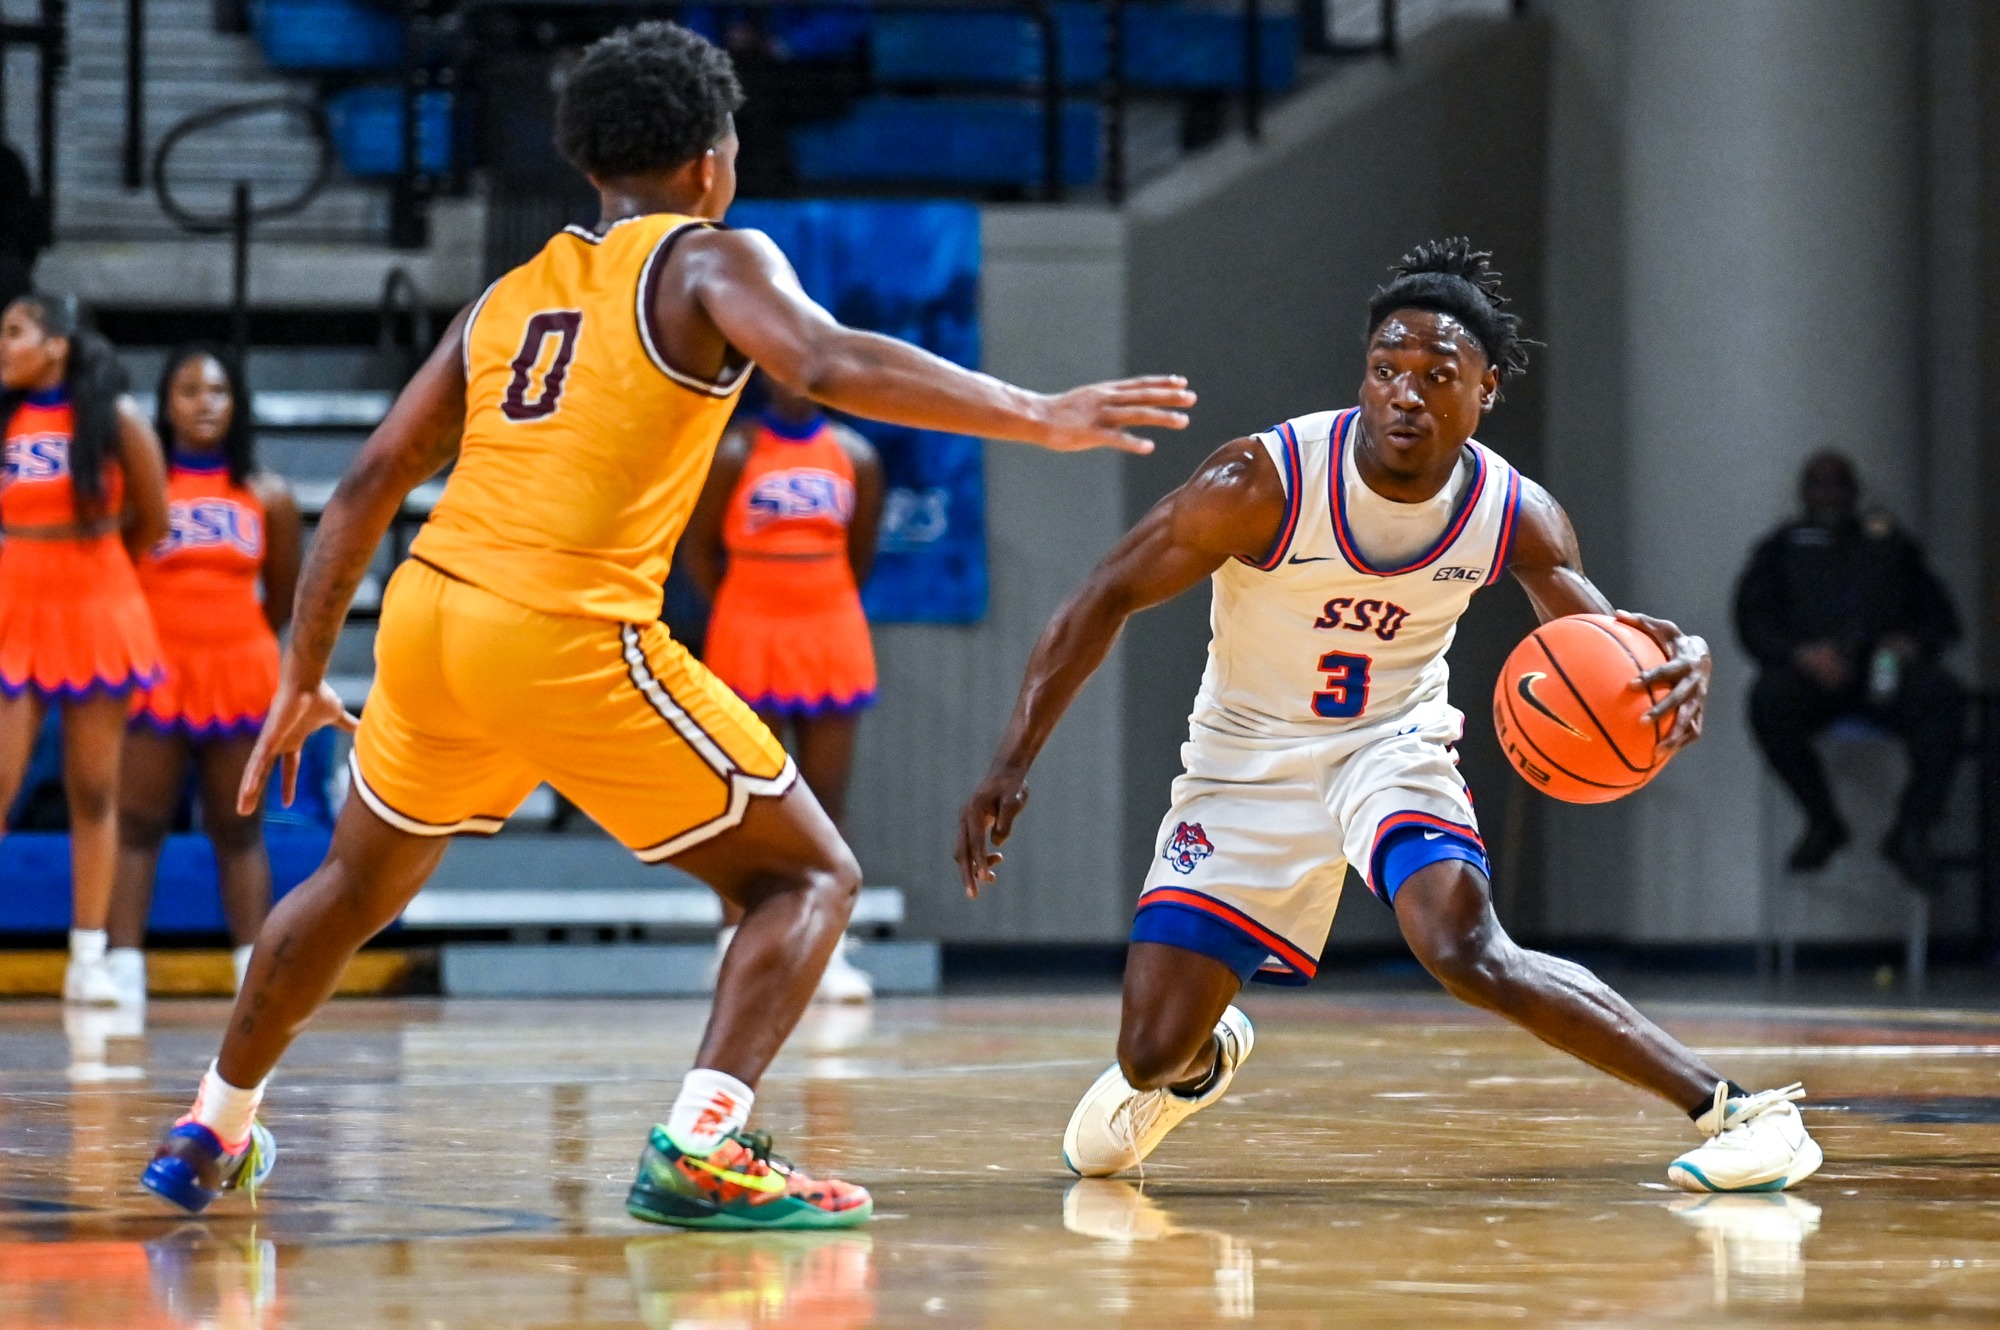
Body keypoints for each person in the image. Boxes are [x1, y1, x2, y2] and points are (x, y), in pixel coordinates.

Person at [138, 20, 1195, 1228]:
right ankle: (703, 1145)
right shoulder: (704, 258)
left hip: (432, 615)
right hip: (561, 620)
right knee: (807, 874)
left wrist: (303, 674)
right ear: (709, 160)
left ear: (592, 166)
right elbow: (824, 357)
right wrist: (1037, 410)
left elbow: (373, 477)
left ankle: (212, 1123)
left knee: (352, 883)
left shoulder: (508, 296)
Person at [957, 240, 1822, 1195]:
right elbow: (1101, 597)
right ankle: (1204, 1056)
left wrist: (1679, 664)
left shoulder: (1511, 513)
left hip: (1390, 746)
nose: (1405, 395)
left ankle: (1739, 1111)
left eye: (1435, 376)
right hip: (1243, 762)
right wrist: (1010, 763)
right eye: (1386, 371)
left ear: (1485, 390)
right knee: (1151, 1056)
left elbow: (1609, 654)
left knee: (1463, 948)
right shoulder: (1262, 483)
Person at [108, 346, 303, 1006]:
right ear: (165, 403)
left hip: (239, 671)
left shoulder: (268, 496)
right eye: (189, 390)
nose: (204, 402)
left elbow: (283, 598)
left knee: (238, 826)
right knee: (136, 823)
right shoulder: (139, 489)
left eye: (217, 390)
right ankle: (120, 967)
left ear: (236, 404)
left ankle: (256, 972)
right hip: (154, 671)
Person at [685, 374, 883, 1002]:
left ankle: (828, 952)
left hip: (829, 631)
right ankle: (731, 941)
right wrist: (742, 608)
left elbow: (863, 554)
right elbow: (694, 551)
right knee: (745, 793)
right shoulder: (735, 451)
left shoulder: (856, 457)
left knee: (825, 797)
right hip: (748, 631)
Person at [0, 294, 170, 1004]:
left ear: (57, 343)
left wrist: (91, 562)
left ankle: (88, 958)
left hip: (99, 600)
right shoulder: (4, 417)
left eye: (13, 332)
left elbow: (154, 520)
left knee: (94, 790)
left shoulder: (117, 420)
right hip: (15, 598)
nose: (2, 346)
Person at [1734, 452, 1966, 886]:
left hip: (1882, 673)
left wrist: (1911, 643)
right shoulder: (1781, 549)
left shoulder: (1888, 544)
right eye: (1818, 485)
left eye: (1837, 485)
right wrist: (1799, 655)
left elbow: (1942, 617)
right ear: (1804, 493)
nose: (1829, 495)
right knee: (1768, 700)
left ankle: (1913, 828)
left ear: (1853, 491)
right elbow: (1753, 622)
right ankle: (1822, 820)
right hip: (1811, 676)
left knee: (1943, 697)